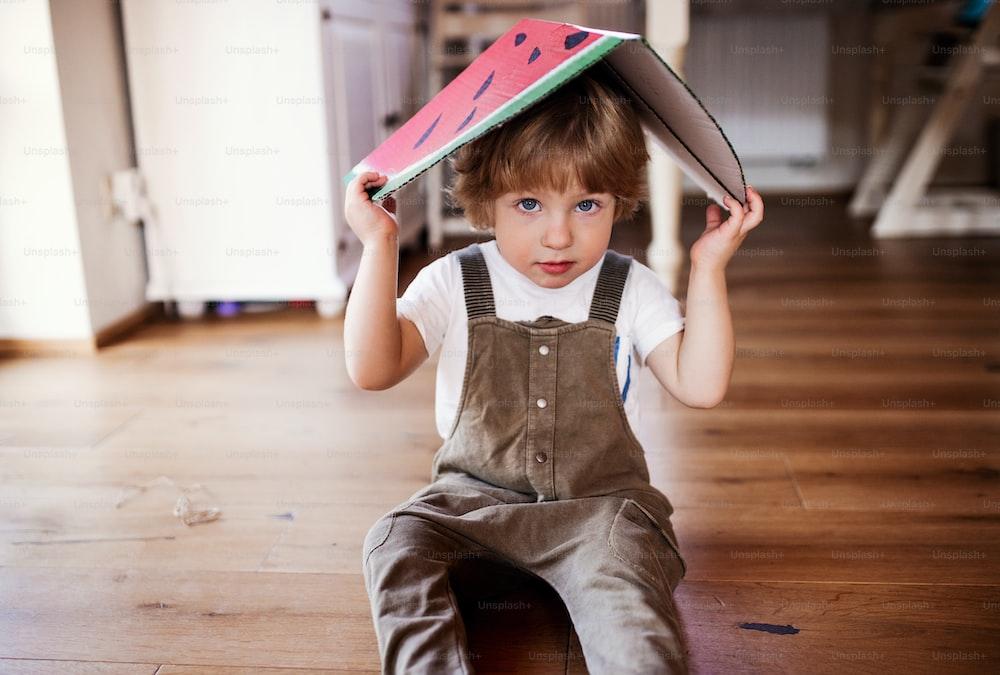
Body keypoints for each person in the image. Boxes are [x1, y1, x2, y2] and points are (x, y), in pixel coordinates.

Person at [342, 63, 764, 674]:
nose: (559, 235)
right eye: (530, 203)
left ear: (620, 201)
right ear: (487, 201)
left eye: (587, 204)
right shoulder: (455, 280)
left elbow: (700, 386)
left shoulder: (630, 288)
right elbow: (372, 370)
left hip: (599, 513)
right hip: (471, 507)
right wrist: (380, 247)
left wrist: (708, 269)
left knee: (629, 602)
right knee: (395, 541)